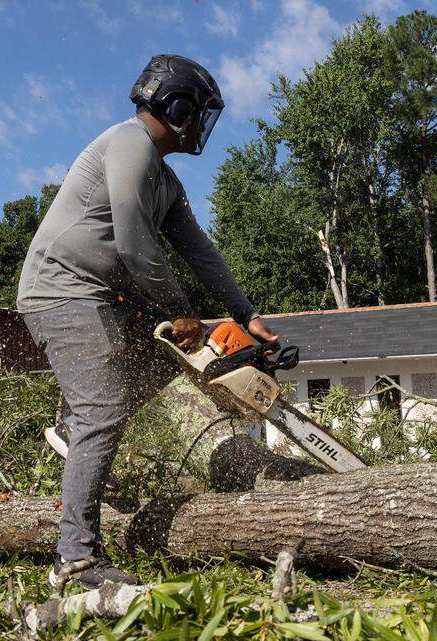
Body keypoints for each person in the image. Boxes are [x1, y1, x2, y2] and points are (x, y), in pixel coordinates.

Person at [16, 55, 278, 588]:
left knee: (177, 355)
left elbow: (198, 251)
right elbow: (135, 241)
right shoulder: (128, 143)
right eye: (198, 113)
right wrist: (182, 312)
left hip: (108, 296)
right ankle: (77, 559)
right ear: (176, 106)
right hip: (62, 290)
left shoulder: (167, 181)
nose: (201, 126)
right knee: (105, 407)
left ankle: (77, 428)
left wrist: (246, 316)